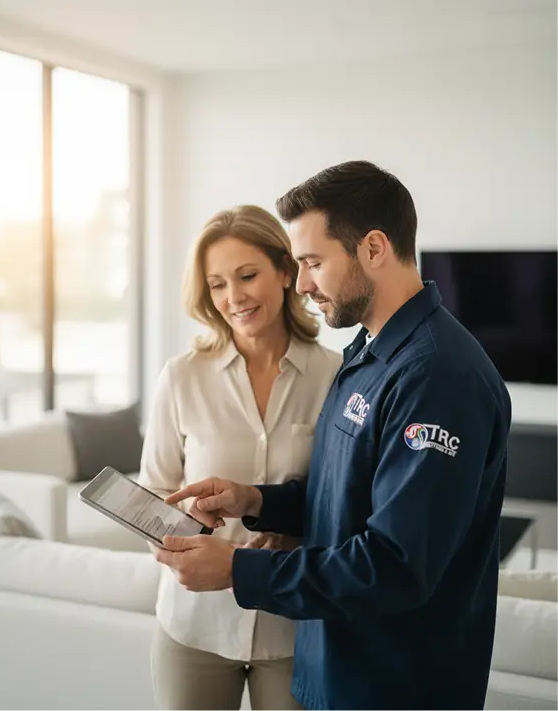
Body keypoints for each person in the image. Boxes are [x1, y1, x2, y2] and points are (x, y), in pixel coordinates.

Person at [157, 161, 512, 711]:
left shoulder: (438, 376)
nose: (301, 284)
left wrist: (237, 568)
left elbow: (395, 565)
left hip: (395, 685)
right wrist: (256, 501)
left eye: (313, 262)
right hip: (338, 669)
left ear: (373, 248)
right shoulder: (368, 357)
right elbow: (343, 503)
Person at [138, 204, 342, 711]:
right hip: (194, 625)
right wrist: (183, 519)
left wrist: (291, 523)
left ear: (284, 270)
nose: (234, 297)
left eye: (246, 275)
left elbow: (344, 499)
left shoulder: (337, 375)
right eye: (217, 284)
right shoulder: (182, 376)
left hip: (294, 629)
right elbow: (153, 491)